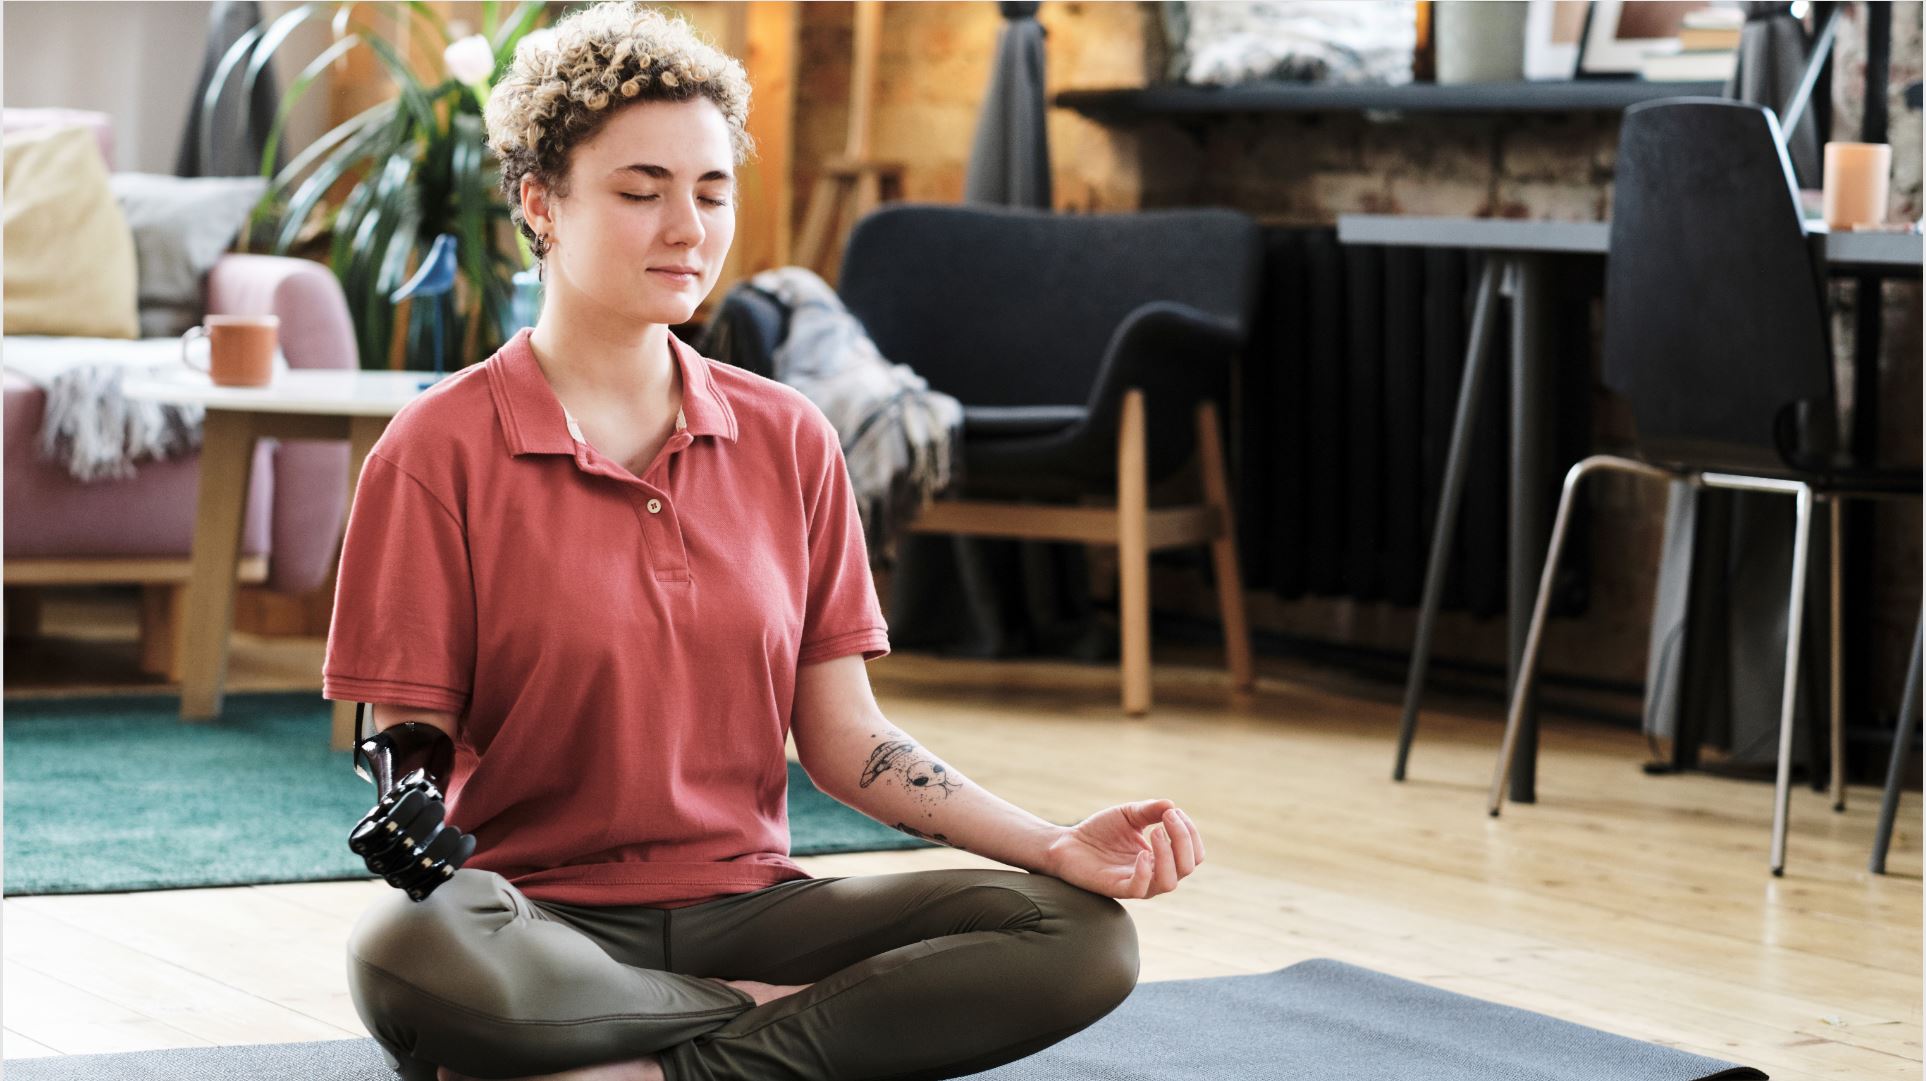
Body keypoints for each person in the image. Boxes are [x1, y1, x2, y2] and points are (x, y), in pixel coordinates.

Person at [322, 5, 1204, 1080]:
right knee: (406, 952)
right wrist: (402, 794)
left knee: (1079, 934)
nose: (686, 228)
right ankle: (759, 1023)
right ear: (540, 203)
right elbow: (405, 733)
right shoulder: (435, 450)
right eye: (641, 192)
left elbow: (849, 742)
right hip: (533, 919)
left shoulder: (790, 437)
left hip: (754, 908)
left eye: (710, 190)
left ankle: (643, 1063)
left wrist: (1055, 842)